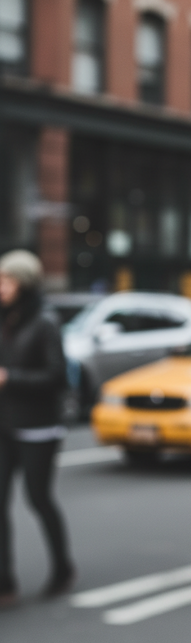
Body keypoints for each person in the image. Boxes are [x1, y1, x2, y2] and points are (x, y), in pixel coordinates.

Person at [0, 250, 75, 606]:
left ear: (25, 283)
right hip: (4, 425)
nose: (1, 287)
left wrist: (11, 378)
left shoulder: (45, 321)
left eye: (7, 280)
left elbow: (57, 376)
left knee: (38, 498)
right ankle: (5, 581)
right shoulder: (5, 318)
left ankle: (62, 567)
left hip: (38, 427)